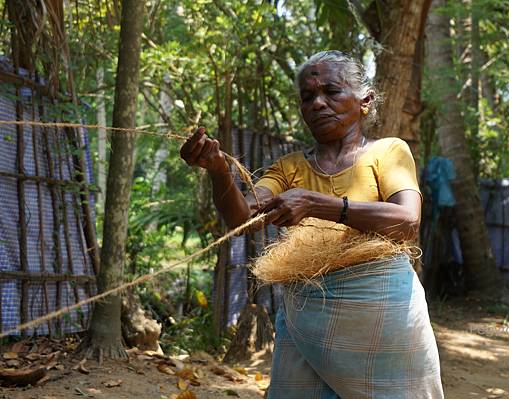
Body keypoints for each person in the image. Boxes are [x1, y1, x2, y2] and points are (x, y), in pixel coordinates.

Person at [180, 50, 444, 399]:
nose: (318, 103)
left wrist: (317, 205)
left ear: (364, 101)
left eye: (331, 92)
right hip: (307, 316)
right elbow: (243, 218)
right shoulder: (289, 167)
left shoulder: (389, 151)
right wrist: (217, 170)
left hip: (383, 313)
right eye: (308, 98)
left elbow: (407, 221)